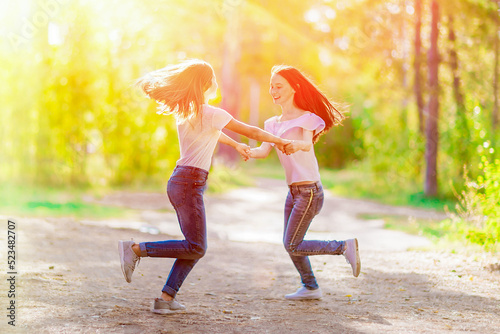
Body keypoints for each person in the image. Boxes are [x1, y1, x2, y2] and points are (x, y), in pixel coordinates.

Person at [118, 59, 290, 314]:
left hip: (182, 181)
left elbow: (215, 132)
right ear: (206, 84)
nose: (218, 82)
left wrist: (235, 145)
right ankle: (135, 250)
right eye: (214, 78)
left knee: (193, 245)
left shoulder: (191, 113)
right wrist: (279, 140)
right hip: (188, 183)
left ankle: (166, 299)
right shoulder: (210, 113)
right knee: (196, 246)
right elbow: (250, 130)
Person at [248, 65, 361, 300]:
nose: (273, 90)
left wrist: (294, 144)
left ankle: (343, 247)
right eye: (271, 86)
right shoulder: (272, 123)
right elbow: (262, 151)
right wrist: (244, 149)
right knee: (291, 242)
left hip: (310, 191)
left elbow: (307, 144)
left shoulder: (307, 119)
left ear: (294, 88)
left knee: (292, 243)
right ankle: (310, 286)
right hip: (293, 192)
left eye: (278, 86)